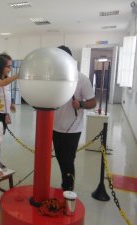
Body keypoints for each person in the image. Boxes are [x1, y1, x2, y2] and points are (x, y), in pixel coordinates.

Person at [53, 45, 96, 191]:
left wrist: (81, 104)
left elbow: (93, 102)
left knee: (68, 160)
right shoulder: (54, 77)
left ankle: (68, 188)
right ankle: (66, 183)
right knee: (60, 158)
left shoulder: (82, 79)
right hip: (55, 127)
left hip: (73, 129)